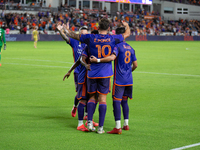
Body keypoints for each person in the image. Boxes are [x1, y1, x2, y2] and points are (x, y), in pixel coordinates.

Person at [58, 18, 130, 134]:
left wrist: (65, 29)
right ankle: (100, 128)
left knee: (91, 98)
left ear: (97, 28)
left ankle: (90, 122)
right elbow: (127, 34)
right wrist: (126, 25)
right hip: (106, 74)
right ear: (109, 29)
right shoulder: (113, 39)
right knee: (102, 100)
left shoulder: (90, 38)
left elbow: (74, 36)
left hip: (92, 72)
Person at [90, 26, 138, 134]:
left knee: (116, 102)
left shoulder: (117, 47)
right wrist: (128, 72)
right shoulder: (131, 48)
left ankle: (117, 127)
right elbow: (135, 65)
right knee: (125, 102)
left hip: (119, 80)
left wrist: (97, 60)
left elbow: (112, 58)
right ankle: (126, 124)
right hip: (129, 80)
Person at [62, 31, 99, 132]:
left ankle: (89, 120)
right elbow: (80, 60)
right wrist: (71, 70)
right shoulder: (87, 47)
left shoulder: (96, 48)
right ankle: (80, 124)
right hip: (83, 78)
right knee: (83, 100)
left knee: (94, 99)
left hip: (92, 78)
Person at [57, 22, 88, 118]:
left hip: (88, 71)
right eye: (82, 33)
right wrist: (61, 31)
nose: (84, 35)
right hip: (78, 71)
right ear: (79, 34)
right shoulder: (75, 42)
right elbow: (66, 38)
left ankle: (87, 116)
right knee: (80, 93)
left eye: (85, 34)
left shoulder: (89, 42)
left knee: (89, 93)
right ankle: (75, 106)